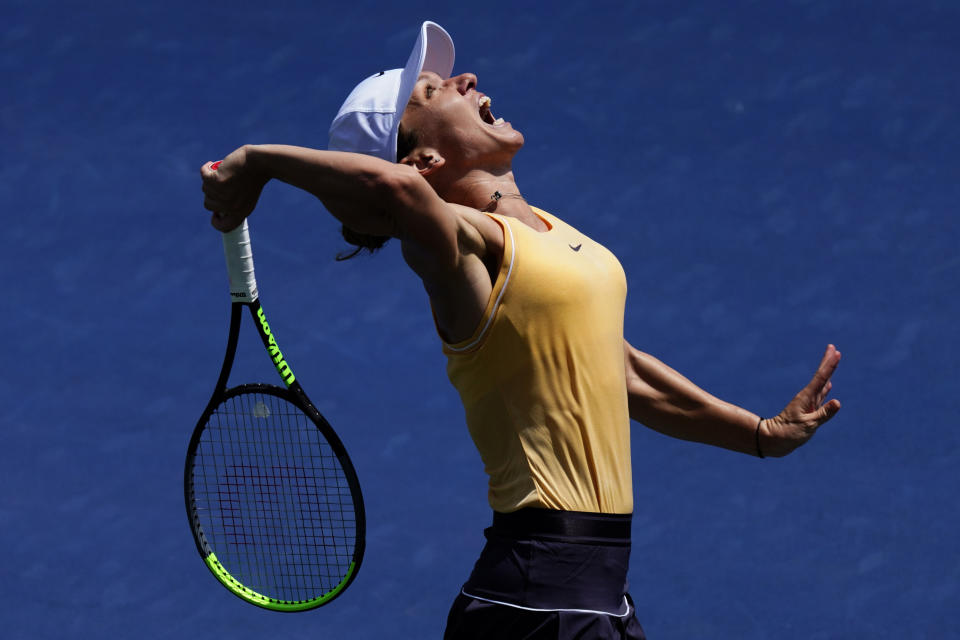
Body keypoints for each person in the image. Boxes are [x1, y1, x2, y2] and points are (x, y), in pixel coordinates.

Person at [200, 21, 842, 640]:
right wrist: (257, 161)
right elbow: (394, 193)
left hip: (590, 596)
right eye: (432, 92)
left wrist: (759, 434)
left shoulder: (560, 238)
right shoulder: (462, 250)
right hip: (538, 597)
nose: (467, 78)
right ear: (423, 158)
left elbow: (622, 371)